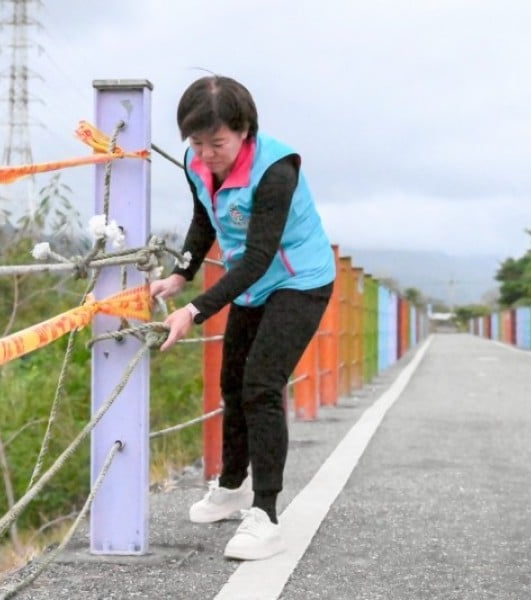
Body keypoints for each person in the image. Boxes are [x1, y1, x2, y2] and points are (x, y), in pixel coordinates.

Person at [150, 75, 335, 561]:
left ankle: (266, 515)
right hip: (252, 283)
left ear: (245, 131)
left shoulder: (276, 169)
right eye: (196, 143)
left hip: (299, 280)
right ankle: (231, 487)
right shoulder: (197, 163)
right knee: (232, 384)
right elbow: (204, 217)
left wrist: (194, 310)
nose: (207, 154)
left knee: (260, 385)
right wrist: (181, 275)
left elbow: (257, 256)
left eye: (218, 143)